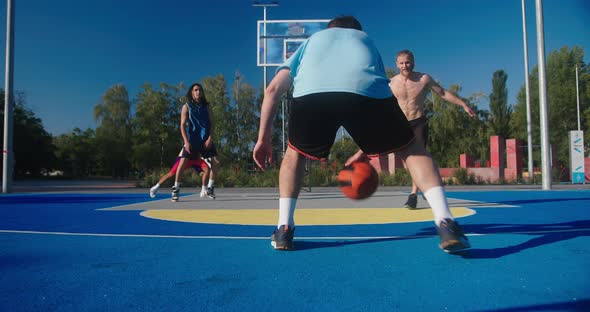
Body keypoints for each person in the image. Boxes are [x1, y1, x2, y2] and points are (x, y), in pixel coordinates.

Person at [253, 15, 470, 253]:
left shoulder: (312, 41)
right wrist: (368, 147)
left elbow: (273, 89)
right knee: (411, 148)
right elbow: (369, 87)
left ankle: (284, 228)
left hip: (312, 95)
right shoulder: (365, 40)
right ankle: (445, 221)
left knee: (295, 153)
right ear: (356, 30)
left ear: (330, 29)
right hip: (366, 94)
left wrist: (263, 138)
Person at [389, 50, 476, 209]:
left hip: (419, 122)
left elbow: (442, 93)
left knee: (418, 158)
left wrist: (463, 105)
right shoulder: (391, 83)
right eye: (401, 63)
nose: (405, 65)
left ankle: (413, 195)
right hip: (401, 125)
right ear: (397, 64)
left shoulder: (424, 79)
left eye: (407, 62)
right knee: (409, 163)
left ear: (413, 62)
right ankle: (423, 185)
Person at [172, 83, 217, 202]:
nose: (198, 92)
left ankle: (210, 188)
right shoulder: (186, 106)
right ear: (192, 92)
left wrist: (210, 138)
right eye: (196, 90)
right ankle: (176, 190)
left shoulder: (207, 106)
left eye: (200, 90)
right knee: (181, 164)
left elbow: (213, 123)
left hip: (205, 140)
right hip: (192, 140)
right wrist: (186, 142)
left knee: (216, 163)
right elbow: (182, 126)